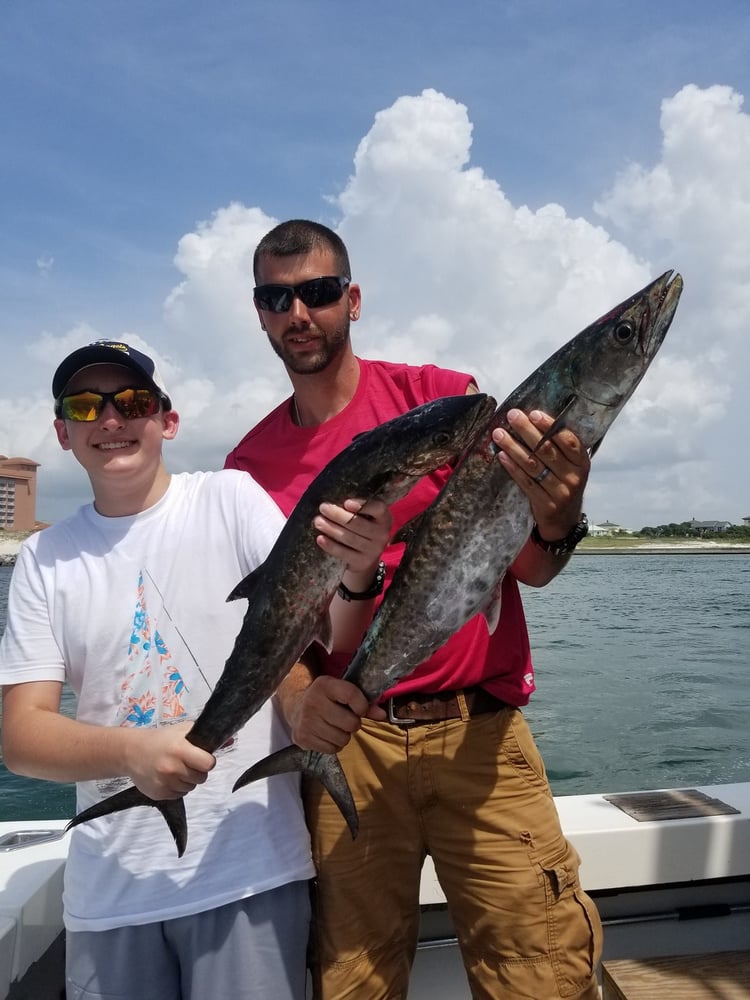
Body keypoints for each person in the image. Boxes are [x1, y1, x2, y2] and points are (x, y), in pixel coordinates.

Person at [225, 220, 604, 999]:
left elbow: (530, 566)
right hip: (351, 750)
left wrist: (561, 513)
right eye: (277, 297)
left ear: (352, 299)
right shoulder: (244, 468)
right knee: (351, 982)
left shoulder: (442, 401)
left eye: (319, 293)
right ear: (259, 313)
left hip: (482, 738)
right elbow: (272, 632)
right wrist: (300, 704)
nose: (300, 313)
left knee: (540, 975)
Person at [0, 339, 391, 1000]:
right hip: (111, 891)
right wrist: (133, 751)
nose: (112, 420)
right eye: (87, 405)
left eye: (132, 401)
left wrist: (358, 572)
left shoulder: (231, 500)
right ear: (63, 432)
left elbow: (327, 632)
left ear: (167, 420)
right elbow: (21, 738)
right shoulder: (44, 559)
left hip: (250, 870)